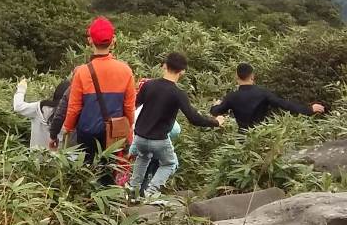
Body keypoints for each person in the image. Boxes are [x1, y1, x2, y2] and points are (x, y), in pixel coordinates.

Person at [129, 53, 224, 197]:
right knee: (169, 164)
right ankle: (150, 194)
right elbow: (194, 118)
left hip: (140, 136)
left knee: (143, 157)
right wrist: (216, 122)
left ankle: (132, 192)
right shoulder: (178, 93)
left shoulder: (148, 85)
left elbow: (134, 105)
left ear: (164, 66)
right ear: (183, 71)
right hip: (159, 139)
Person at [60, 17, 136, 184]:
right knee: (108, 173)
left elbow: (74, 107)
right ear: (113, 41)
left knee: (87, 171)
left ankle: (87, 202)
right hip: (113, 133)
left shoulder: (81, 72)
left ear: (89, 41)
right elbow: (129, 107)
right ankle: (107, 206)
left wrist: (67, 128)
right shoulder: (125, 70)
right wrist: (127, 127)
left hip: (87, 132)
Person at [210, 63, 325, 130]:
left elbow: (215, 111)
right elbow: (284, 104)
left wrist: (216, 104)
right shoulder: (263, 93)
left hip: (241, 139)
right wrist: (309, 109)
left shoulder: (232, 97)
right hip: (261, 135)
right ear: (252, 76)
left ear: (237, 77)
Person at [13, 79, 66, 149]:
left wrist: (21, 89)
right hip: (60, 158)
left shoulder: (40, 108)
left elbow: (18, 106)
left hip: (35, 157)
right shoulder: (72, 114)